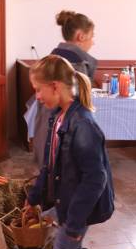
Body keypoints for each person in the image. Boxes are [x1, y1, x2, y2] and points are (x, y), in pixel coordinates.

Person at [21, 55, 114, 249]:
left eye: (38, 89)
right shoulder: (57, 116)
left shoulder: (83, 124)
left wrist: (73, 224)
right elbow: (49, 164)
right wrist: (34, 197)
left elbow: (95, 178)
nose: (37, 97)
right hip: (67, 200)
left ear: (55, 86)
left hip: (79, 206)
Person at [31, 10, 98, 169]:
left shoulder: (52, 59)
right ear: (81, 36)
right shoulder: (76, 65)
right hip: (62, 134)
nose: (93, 42)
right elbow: (76, 110)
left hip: (46, 130)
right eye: (92, 36)